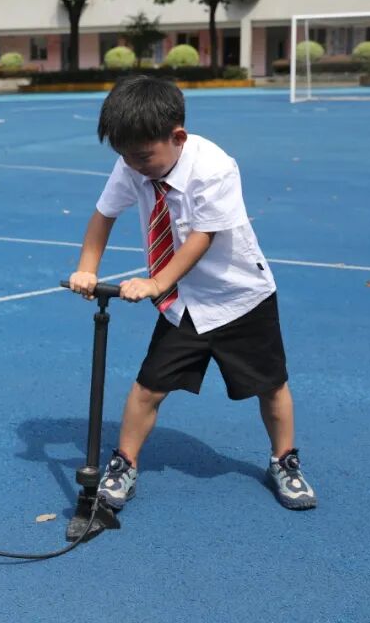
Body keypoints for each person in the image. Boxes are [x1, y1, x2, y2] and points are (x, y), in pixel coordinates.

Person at [68, 75, 317, 511]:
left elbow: (203, 237)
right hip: (185, 304)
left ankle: (284, 460)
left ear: (178, 137)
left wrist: (157, 283)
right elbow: (103, 215)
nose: (134, 166)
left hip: (240, 298)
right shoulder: (132, 163)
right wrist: (87, 269)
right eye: (125, 156)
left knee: (271, 385)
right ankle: (124, 462)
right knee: (148, 387)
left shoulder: (214, 168)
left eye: (142, 156)